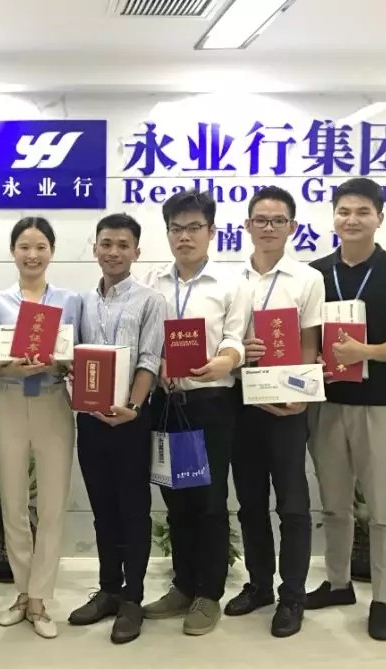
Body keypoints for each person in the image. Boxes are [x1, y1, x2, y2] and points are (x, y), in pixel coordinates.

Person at [305, 177, 386, 641]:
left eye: (362, 212)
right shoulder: (315, 273)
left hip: (378, 406)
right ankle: (337, 583)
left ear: (379, 217)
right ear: (333, 216)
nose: (351, 220)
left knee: (382, 507)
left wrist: (363, 352)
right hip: (326, 404)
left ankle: (383, 601)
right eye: (343, 211)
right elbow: (306, 339)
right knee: (334, 503)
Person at [140, 190, 247, 636]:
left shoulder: (230, 283)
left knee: (208, 501)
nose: (184, 237)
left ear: (211, 232)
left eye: (194, 228)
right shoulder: (151, 281)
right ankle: (183, 585)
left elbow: (236, 338)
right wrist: (157, 363)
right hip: (166, 402)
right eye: (176, 228)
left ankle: (208, 593)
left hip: (211, 403)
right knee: (175, 498)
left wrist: (224, 361)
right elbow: (146, 337)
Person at [223, 186, 323, 638]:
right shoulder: (231, 279)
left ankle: (293, 596)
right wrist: (239, 349)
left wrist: (300, 397)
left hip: (287, 405)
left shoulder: (307, 279)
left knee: (293, 505)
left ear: (292, 227)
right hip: (241, 401)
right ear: (247, 225)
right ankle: (260, 585)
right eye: (260, 220)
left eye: (278, 220)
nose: (268, 227)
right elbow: (222, 338)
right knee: (249, 503)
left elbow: (309, 343)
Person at [0, 217, 82, 639]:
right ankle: (22, 592)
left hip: (53, 402)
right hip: (8, 401)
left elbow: (80, 355)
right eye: (24, 246)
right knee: (13, 503)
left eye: (40, 246)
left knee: (53, 504)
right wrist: (4, 366)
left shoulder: (71, 300)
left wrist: (65, 362)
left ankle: (40, 598)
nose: (32, 254)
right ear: (13, 251)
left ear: (52, 251)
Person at [67, 213, 166, 645]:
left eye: (123, 245)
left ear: (136, 252)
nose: (113, 252)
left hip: (130, 421)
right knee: (102, 509)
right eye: (106, 244)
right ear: (95, 249)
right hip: (90, 421)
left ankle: (133, 598)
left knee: (133, 510)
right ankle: (108, 589)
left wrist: (134, 406)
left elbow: (149, 359)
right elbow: (72, 356)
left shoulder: (150, 300)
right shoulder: (81, 302)